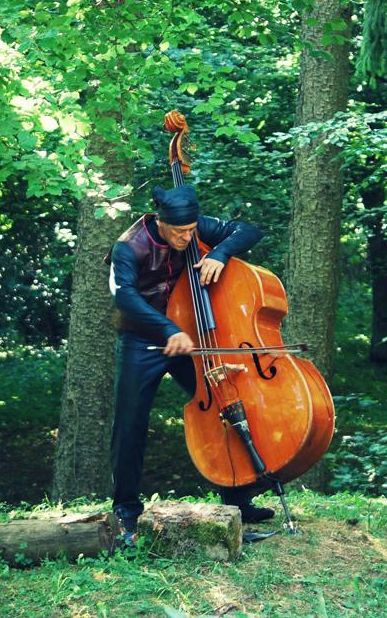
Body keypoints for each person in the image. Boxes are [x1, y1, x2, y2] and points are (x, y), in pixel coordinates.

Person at [107, 184, 275, 541]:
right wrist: (167, 328)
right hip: (143, 339)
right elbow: (125, 298)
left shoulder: (193, 227)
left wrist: (222, 253)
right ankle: (125, 511)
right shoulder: (128, 245)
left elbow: (249, 231)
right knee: (130, 423)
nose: (188, 237)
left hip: (193, 336)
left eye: (191, 230)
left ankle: (238, 500)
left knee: (225, 406)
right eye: (180, 232)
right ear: (161, 223)